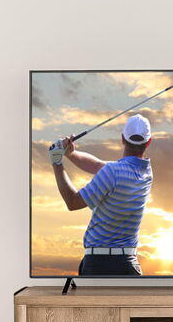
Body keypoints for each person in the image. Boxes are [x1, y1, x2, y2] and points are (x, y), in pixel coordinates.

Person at [51, 113, 154, 276]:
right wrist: (70, 153)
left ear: (122, 139)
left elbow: (73, 202)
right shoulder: (146, 172)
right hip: (129, 264)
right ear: (148, 142)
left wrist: (57, 162)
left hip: (98, 265)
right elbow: (98, 165)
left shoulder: (112, 172)